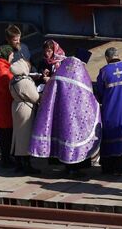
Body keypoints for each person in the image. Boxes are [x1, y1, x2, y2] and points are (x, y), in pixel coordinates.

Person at [29, 41, 101, 178]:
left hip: (62, 112)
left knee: (64, 138)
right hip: (77, 116)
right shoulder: (80, 72)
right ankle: (74, 169)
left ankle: (67, 167)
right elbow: (87, 94)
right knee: (74, 140)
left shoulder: (64, 68)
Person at [94, 47, 122, 175]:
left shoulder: (104, 71)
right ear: (118, 55)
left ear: (107, 58)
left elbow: (100, 92)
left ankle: (111, 168)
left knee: (111, 137)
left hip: (111, 111)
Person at [9, 57, 40, 173]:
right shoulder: (24, 81)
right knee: (25, 137)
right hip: (25, 109)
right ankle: (26, 165)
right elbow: (35, 97)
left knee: (17, 135)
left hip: (16, 106)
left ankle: (18, 163)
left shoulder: (13, 80)